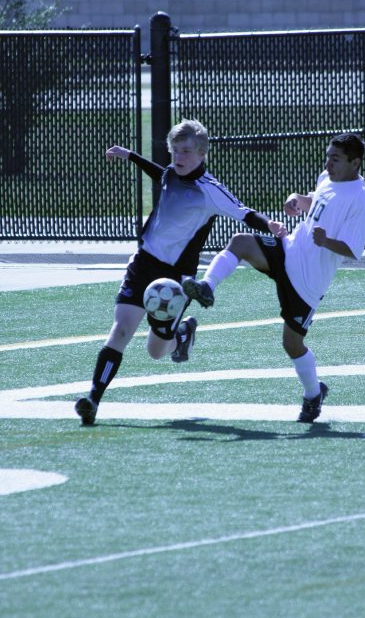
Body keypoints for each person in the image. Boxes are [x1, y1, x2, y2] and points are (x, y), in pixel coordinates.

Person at [75, 118, 285, 426]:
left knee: (156, 350)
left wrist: (270, 225)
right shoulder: (171, 174)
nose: (178, 157)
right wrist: (129, 155)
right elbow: (160, 175)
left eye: (186, 151)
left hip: (176, 278)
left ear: (202, 153)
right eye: (175, 150)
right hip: (144, 263)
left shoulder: (210, 190)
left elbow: (243, 212)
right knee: (121, 330)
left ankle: (181, 334)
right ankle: (93, 399)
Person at [183, 133, 365, 423]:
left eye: (335, 158)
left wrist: (327, 242)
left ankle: (313, 395)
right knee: (241, 242)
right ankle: (206, 287)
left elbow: (353, 249)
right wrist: (297, 200)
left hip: (308, 282)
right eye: (328, 156)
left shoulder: (359, 198)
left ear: (355, 162)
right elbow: (316, 202)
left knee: (291, 344)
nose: (328, 162)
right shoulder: (327, 177)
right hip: (290, 250)